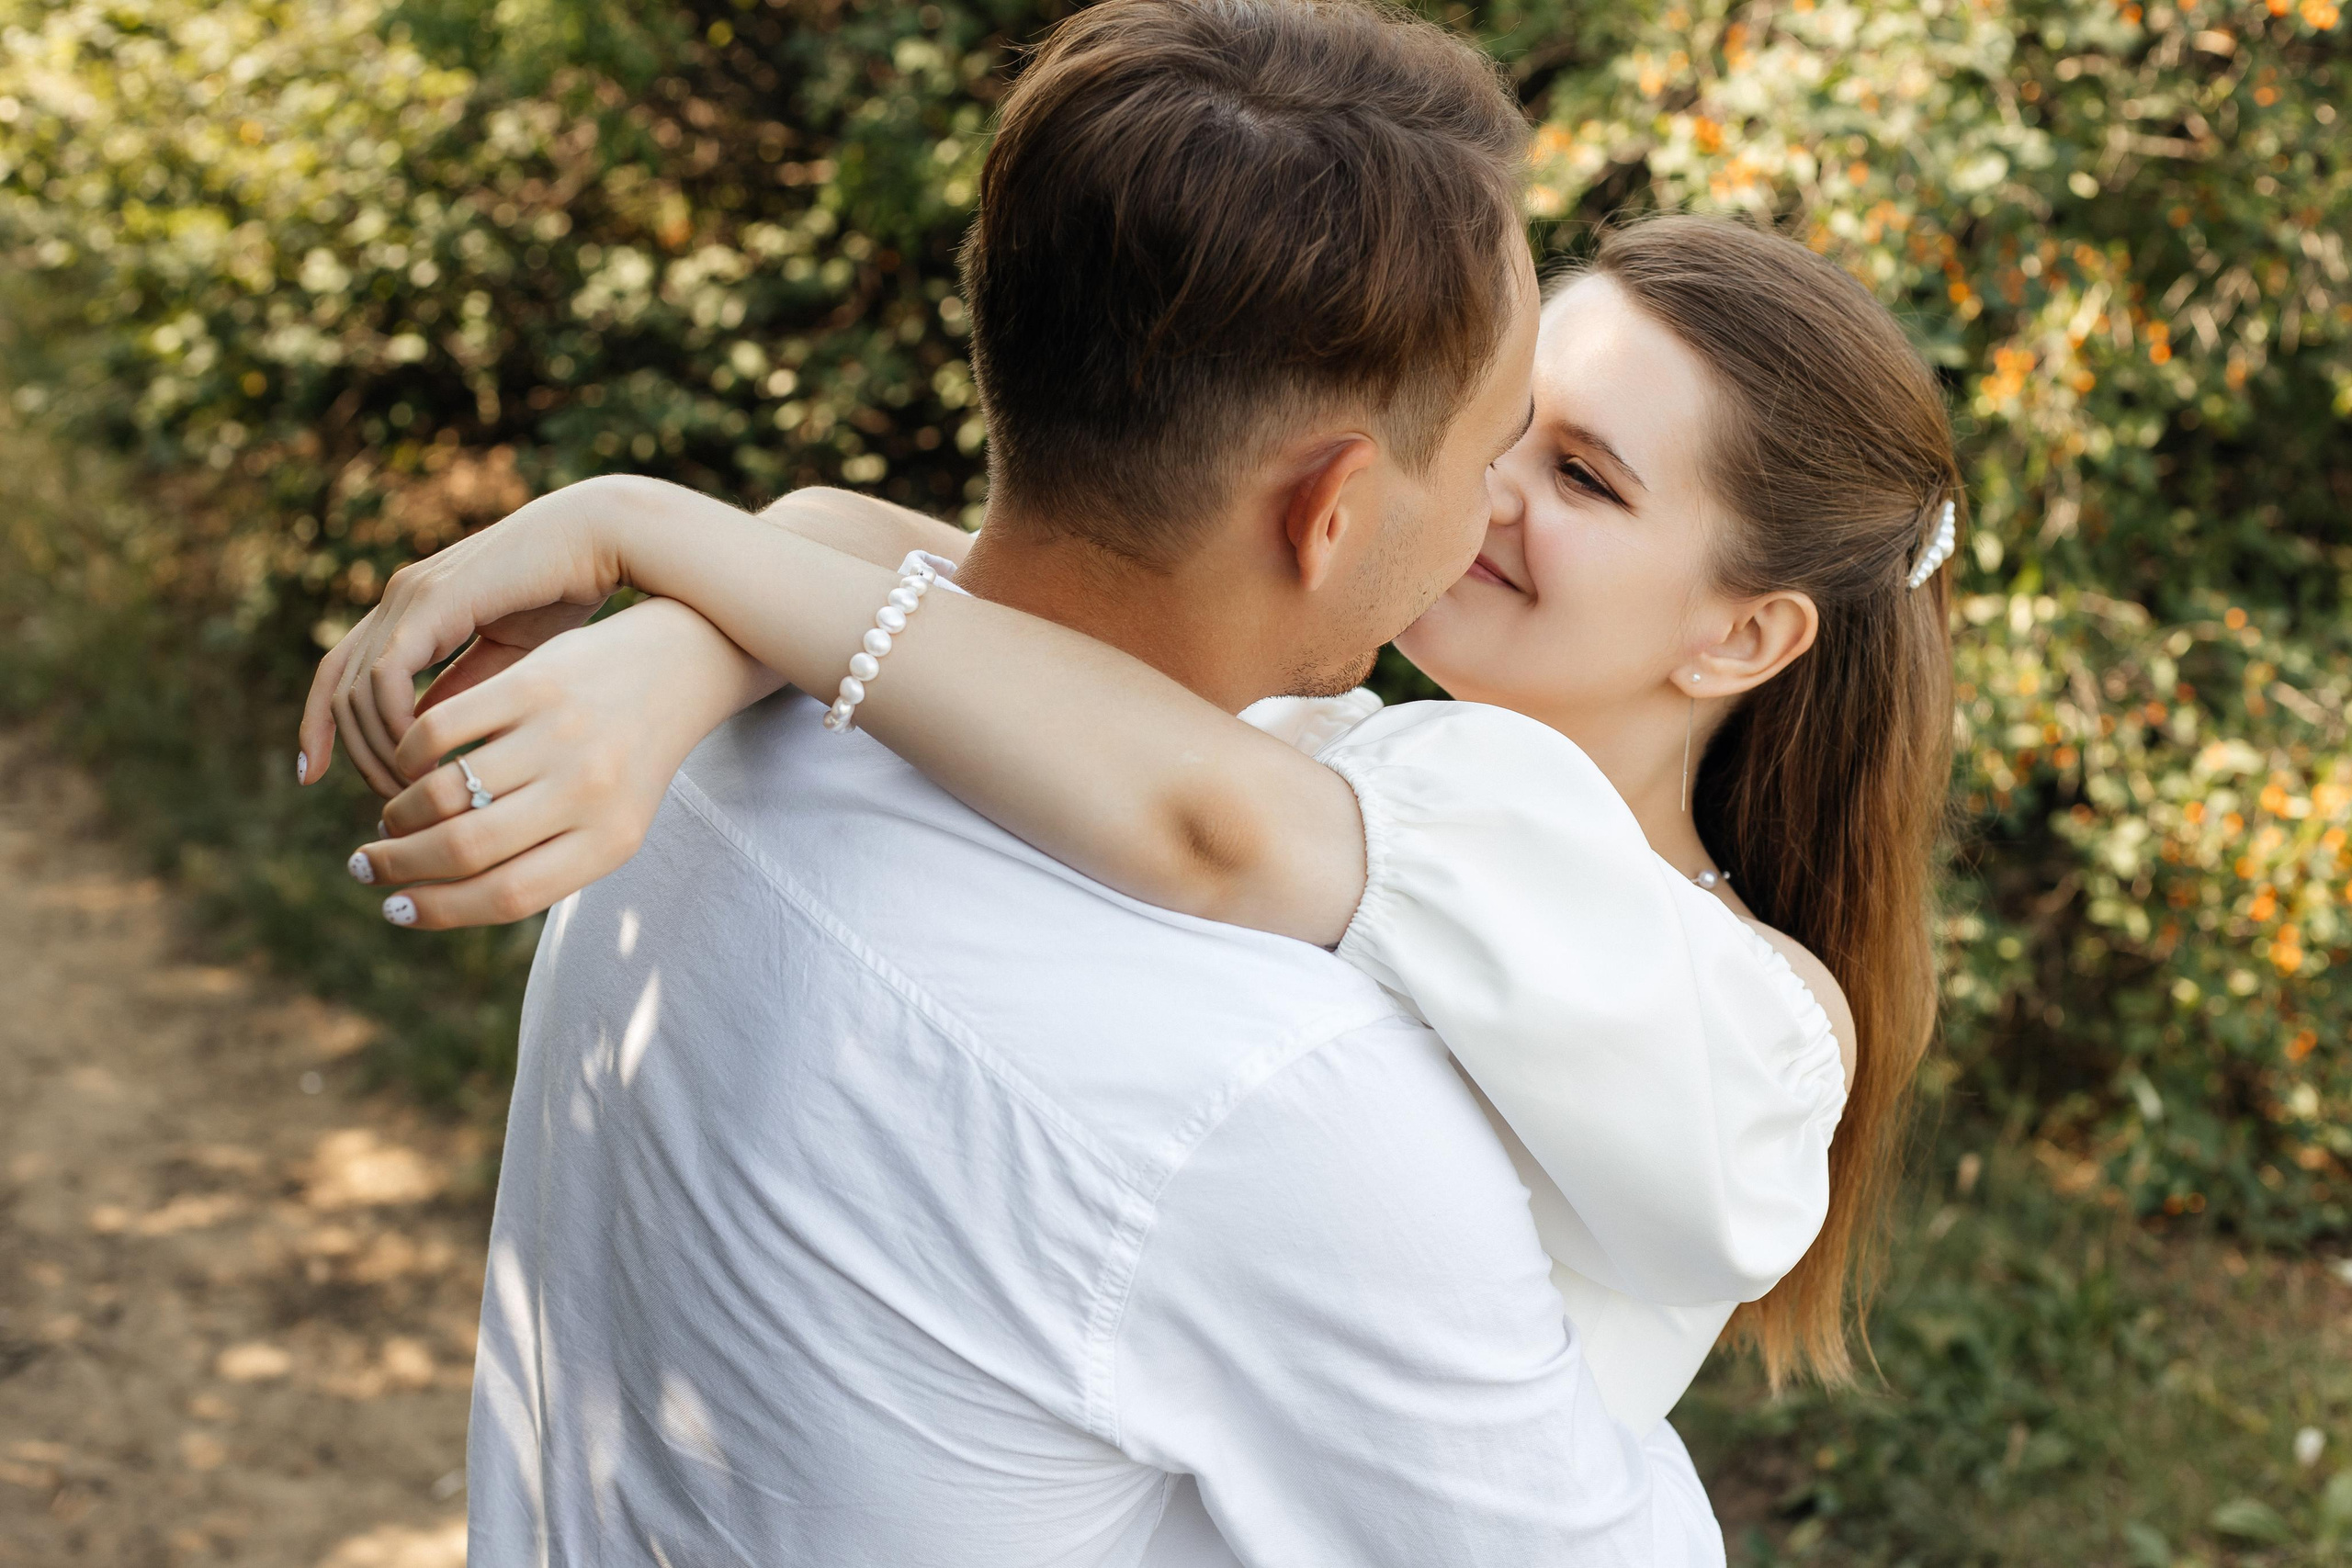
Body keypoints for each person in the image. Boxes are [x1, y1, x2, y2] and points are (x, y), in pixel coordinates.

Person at [300, 2, 1748, 1562]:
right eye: (1488, 452)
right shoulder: (1281, 1090)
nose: (1490, 514)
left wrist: (679, 564)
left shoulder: (693, 741)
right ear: (1333, 509)